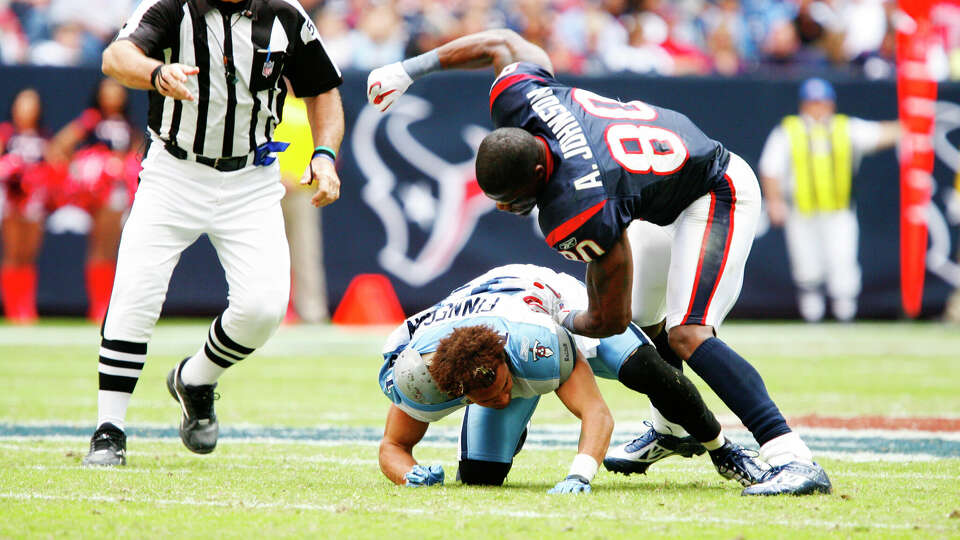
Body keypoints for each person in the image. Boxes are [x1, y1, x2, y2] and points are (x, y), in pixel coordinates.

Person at [367, 29, 830, 496]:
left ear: (538, 172)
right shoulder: (523, 97)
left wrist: (565, 318)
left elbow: (610, 318)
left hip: (714, 189)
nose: (506, 209)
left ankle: (790, 456)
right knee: (652, 323)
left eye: (511, 199)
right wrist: (409, 69)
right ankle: (671, 429)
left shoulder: (576, 205)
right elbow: (503, 43)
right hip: (658, 193)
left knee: (687, 333)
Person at [82, 0, 344, 467]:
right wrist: (156, 73)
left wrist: (323, 154)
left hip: (251, 178)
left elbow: (322, 89)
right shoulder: (170, 7)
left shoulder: (283, 14)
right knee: (135, 294)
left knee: (263, 308)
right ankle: (109, 428)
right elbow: (115, 58)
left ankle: (196, 378)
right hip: (174, 171)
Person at [379, 264, 766, 492]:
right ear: (455, 388)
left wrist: (580, 473)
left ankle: (723, 448)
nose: (499, 398)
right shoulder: (422, 372)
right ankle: (515, 426)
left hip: (549, 302)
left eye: (501, 388)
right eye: (484, 397)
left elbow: (596, 412)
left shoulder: (535, 345)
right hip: (481, 319)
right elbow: (392, 446)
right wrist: (408, 474)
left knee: (644, 369)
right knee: (481, 477)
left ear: (503, 360)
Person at [758, 77, 900, 323]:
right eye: (812, 102)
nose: (818, 108)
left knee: (842, 259)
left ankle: (845, 314)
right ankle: (812, 315)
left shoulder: (846, 128)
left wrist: (911, 123)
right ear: (803, 105)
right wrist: (775, 201)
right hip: (801, 209)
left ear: (831, 104)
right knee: (806, 264)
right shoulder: (789, 131)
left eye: (822, 102)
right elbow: (770, 168)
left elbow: (880, 134)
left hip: (838, 209)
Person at [48, 78, 142, 323]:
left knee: (114, 248)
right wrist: (80, 172)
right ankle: (99, 306)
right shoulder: (91, 120)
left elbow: (137, 154)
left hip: (120, 191)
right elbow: (59, 146)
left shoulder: (128, 125)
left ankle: (110, 304)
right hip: (99, 191)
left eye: (117, 90)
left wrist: (125, 166)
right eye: (108, 90)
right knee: (100, 247)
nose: (113, 95)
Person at [273, 89, 329, 323]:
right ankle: (274, 311)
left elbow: (324, 150)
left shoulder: (314, 109)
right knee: (270, 252)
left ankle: (312, 311)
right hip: (271, 188)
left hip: (303, 191)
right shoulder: (274, 104)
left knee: (306, 252)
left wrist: (301, 177)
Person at [0, 88, 50, 324]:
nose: (26, 109)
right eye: (22, 104)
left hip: (35, 202)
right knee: (13, 252)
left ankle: (26, 307)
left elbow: (55, 162)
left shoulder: (43, 137)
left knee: (29, 254)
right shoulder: (7, 134)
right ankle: (12, 307)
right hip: (11, 200)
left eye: (31, 104)